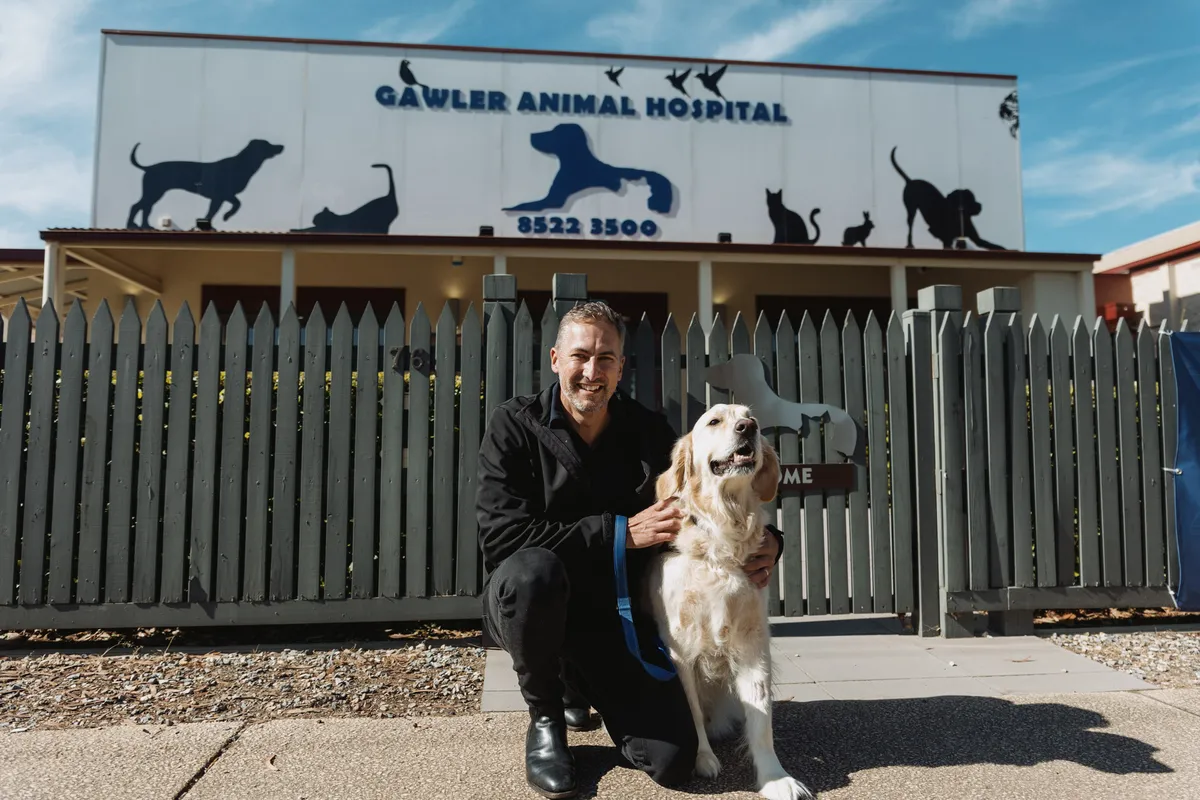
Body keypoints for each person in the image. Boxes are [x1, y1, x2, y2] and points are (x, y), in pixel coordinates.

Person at [476, 301, 785, 799]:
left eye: (606, 359)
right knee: (534, 573)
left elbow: (700, 501)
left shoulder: (647, 431)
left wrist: (769, 541)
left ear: (621, 368)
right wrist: (619, 533)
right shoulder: (514, 425)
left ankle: (581, 680)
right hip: (530, 605)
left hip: (612, 621)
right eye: (580, 357)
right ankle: (547, 719)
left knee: (675, 759)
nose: (591, 372)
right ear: (556, 359)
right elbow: (502, 539)